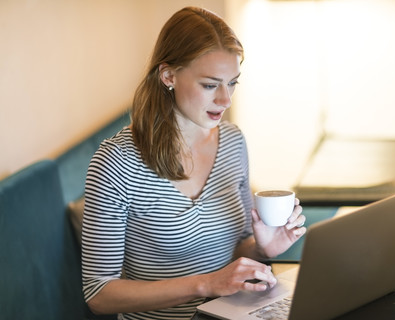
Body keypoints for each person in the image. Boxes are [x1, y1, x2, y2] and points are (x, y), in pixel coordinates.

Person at [82, 6, 306, 320]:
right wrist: (205, 285)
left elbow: (238, 248)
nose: (225, 100)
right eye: (210, 85)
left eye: (232, 83)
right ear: (168, 75)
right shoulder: (116, 163)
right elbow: (98, 293)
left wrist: (262, 249)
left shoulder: (232, 142)